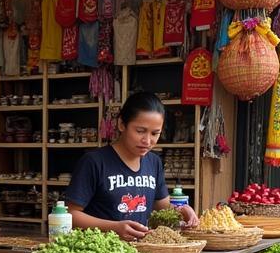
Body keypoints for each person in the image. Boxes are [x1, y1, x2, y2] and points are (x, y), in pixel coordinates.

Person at [65, 91, 198, 241]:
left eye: (155, 134)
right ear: (121, 124)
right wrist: (113, 228)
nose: (147, 141)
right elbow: (70, 214)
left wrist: (181, 211)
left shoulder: (154, 162)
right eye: (140, 131)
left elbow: (162, 207)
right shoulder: (94, 162)